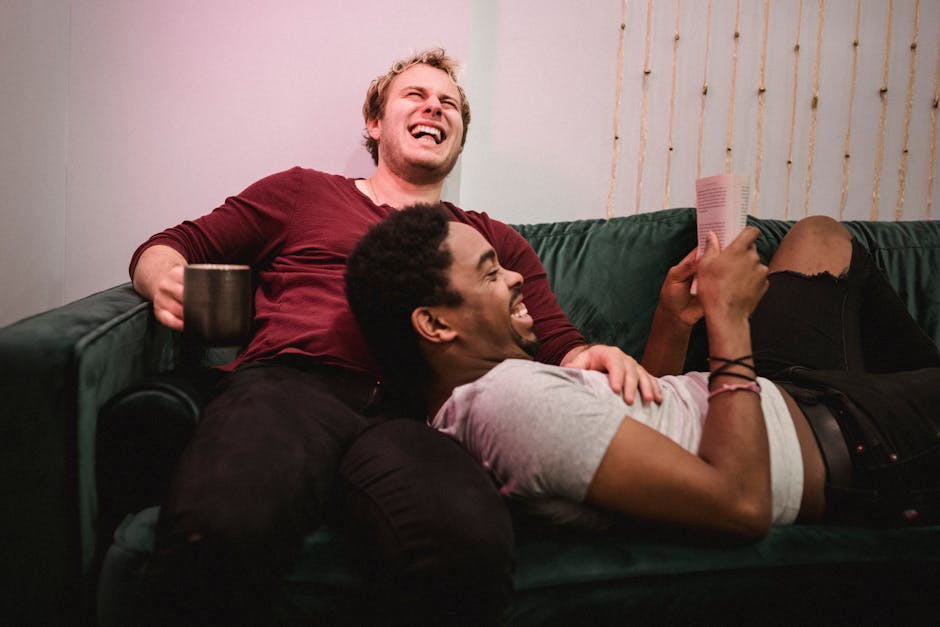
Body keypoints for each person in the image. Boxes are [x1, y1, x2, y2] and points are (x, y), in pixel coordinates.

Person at [127, 49, 667, 625]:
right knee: (219, 527)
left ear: (457, 141)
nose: (435, 106)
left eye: (450, 104)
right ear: (374, 122)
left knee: (468, 548)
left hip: (423, 419)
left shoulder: (493, 242)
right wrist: (164, 278)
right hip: (291, 390)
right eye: (416, 95)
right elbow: (171, 246)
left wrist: (595, 356)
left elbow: (560, 343)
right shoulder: (302, 192)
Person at [344, 204, 940, 538]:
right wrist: (727, 320)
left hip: (782, 392)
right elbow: (740, 505)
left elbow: (652, 429)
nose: (517, 276)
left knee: (818, 237)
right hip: (845, 435)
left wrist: (672, 323)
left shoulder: (492, 396)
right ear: (434, 324)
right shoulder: (510, 405)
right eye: (489, 272)